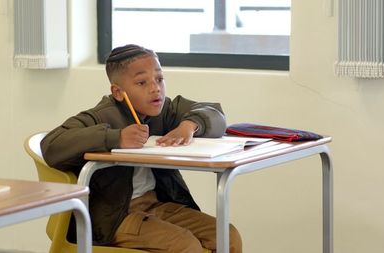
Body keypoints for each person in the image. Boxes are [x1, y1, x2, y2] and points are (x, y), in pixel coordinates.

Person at [41, 44, 242, 253]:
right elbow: (51, 144)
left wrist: (189, 125)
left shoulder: (164, 112)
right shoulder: (101, 116)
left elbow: (215, 113)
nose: (155, 88)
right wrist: (115, 137)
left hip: (158, 205)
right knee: (185, 246)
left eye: (159, 79)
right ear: (118, 92)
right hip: (115, 217)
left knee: (228, 236)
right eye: (141, 82)